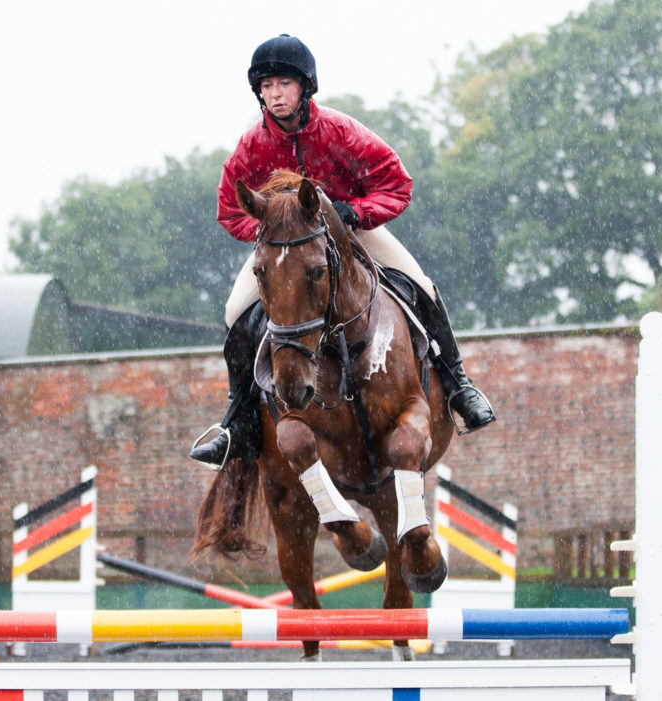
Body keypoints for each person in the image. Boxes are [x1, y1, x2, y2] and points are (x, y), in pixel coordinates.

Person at [190, 34, 495, 470]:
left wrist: (355, 211)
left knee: (422, 286)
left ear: (304, 88)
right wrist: (274, 230)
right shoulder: (250, 147)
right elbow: (228, 210)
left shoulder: (341, 131)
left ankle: (459, 384)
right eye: (268, 86)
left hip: (354, 234)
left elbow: (398, 185)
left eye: (284, 85)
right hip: (289, 249)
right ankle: (238, 419)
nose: (275, 95)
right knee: (235, 309)